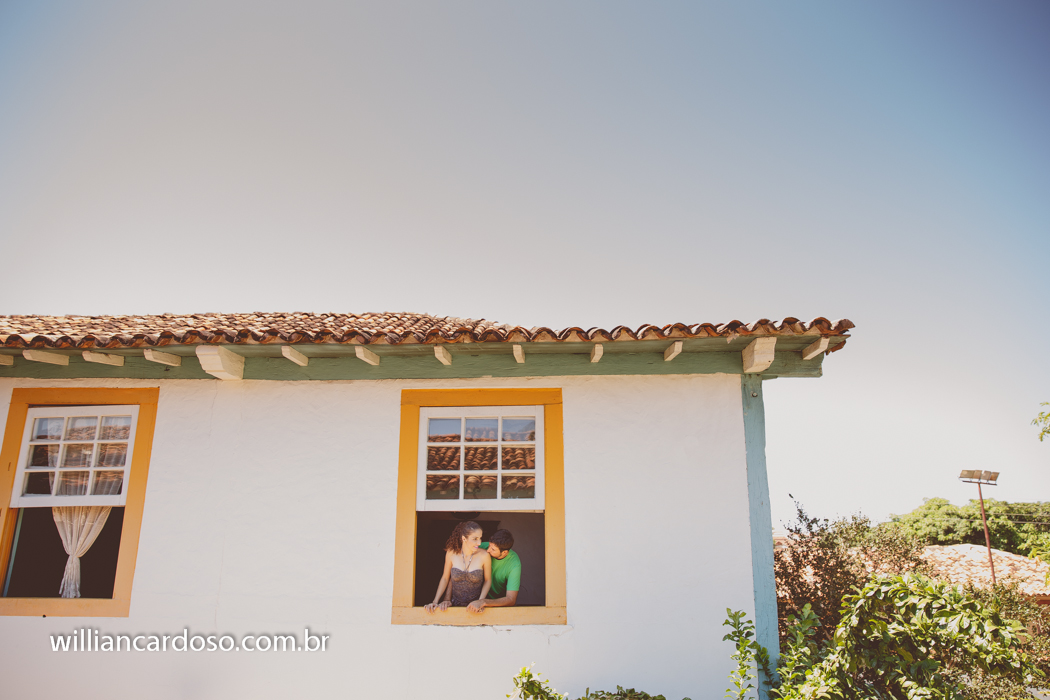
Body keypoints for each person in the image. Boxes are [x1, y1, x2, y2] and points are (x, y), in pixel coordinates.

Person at [424, 521, 491, 613]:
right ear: (464, 538)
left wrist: (480, 601)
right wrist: (435, 601)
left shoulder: (484, 555)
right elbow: (445, 578)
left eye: (480, 538)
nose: (479, 542)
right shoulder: (451, 553)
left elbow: (488, 580)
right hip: (454, 605)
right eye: (475, 539)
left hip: (476, 607)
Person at [467, 528, 520, 612]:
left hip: (497, 605)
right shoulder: (484, 547)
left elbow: (511, 599)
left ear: (504, 552)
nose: (487, 550)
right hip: (474, 598)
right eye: (489, 546)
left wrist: (483, 602)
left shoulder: (514, 564)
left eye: (493, 550)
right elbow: (461, 549)